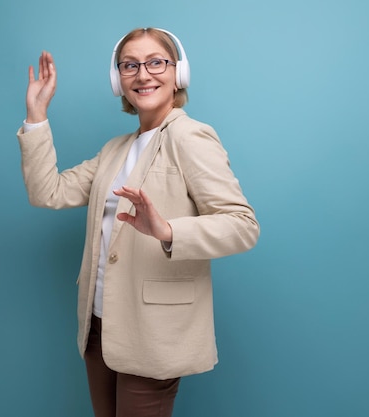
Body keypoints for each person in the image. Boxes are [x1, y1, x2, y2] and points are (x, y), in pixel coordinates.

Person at [16, 27, 259, 417]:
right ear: (118, 79)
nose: (143, 74)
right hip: (99, 325)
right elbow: (48, 191)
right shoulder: (116, 149)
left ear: (178, 73)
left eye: (155, 62)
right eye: (130, 65)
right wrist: (37, 115)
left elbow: (242, 225)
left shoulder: (190, 137)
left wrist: (168, 231)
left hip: (154, 331)